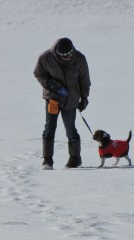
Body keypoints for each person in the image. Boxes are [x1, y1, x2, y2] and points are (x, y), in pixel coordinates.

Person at [33, 38, 91, 170]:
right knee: (49, 129)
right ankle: (47, 161)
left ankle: (75, 160)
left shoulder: (80, 58)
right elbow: (38, 73)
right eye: (64, 55)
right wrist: (51, 84)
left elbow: (85, 80)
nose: (67, 57)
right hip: (53, 99)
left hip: (71, 100)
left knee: (70, 130)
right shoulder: (45, 57)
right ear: (57, 53)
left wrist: (84, 98)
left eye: (69, 54)